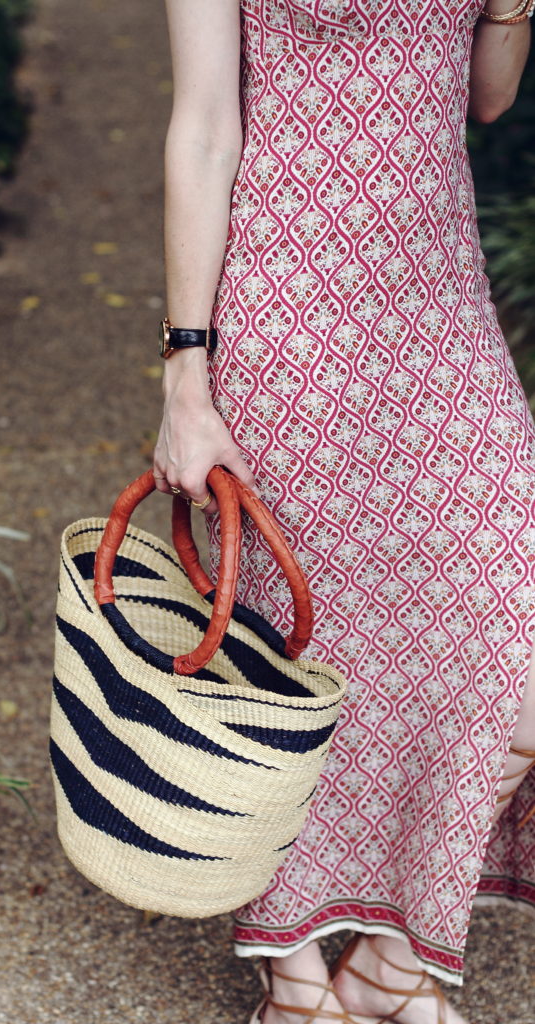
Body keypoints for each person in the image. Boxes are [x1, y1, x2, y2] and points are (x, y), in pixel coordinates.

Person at [153, 2, 535, 1022]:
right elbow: (201, 124)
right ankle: (294, 983)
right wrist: (184, 379)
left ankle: (388, 963)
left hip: (435, 303)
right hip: (288, 308)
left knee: (509, 633)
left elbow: (485, 95)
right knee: (291, 643)